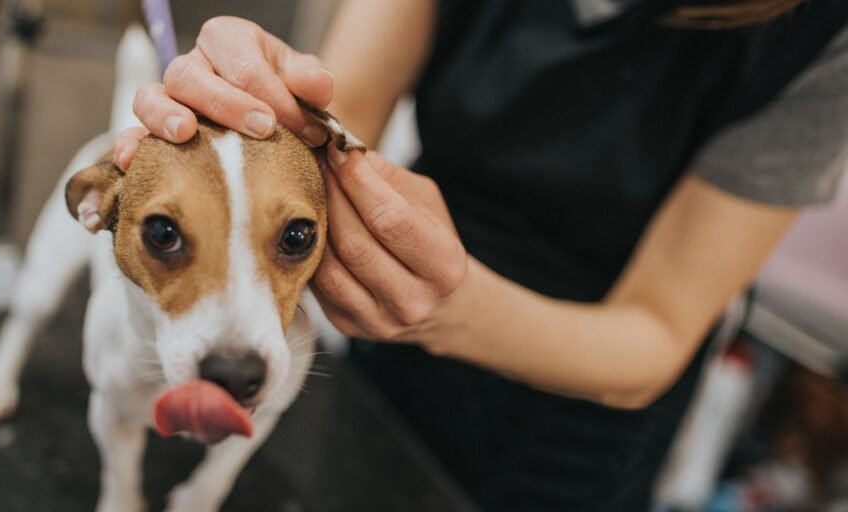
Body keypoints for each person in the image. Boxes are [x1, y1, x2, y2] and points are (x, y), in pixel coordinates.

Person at [112, 0, 848, 509]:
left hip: (581, 411)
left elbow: (656, 331)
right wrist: (268, 111)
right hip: (393, 359)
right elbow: (337, 128)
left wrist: (453, 308)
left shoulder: (818, 36)